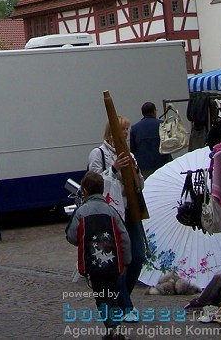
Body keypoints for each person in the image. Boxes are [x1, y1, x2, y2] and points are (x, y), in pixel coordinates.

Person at [88, 116, 145, 322]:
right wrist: (114, 169)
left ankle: (122, 298)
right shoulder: (99, 154)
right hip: (110, 213)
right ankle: (126, 306)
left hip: (130, 210)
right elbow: (94, 182)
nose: (126, 134)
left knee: (138, 255)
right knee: (118, 260)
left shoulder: (129, 154)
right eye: (123, 130)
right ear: (112, 131)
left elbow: (140, 185)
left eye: (128, 130)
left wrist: (135, 170)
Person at [66, 170, 131, 340]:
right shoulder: (111, 211)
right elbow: (124, 237)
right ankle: (114, 328)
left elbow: (72, 236)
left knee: (101, 297)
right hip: (114, 263)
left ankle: (112, 327)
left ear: (85, 192)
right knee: (113, 295)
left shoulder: (81, 212)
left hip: (93, 264)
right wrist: (126, 260)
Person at [129, 102, 167, 177]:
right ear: (154, 111)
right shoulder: (162, 125)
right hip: (162, 164)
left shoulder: (135, 128)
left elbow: (132, 149)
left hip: (143, 167)